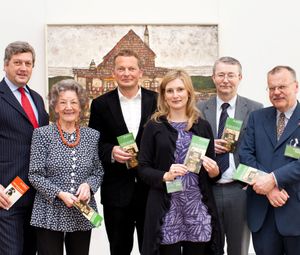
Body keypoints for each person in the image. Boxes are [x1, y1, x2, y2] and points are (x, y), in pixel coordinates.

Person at [138, 69, 223, 255]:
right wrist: (165, 175)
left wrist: (215, 172)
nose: (175, 95)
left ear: (189, 93)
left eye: (180, 89)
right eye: (170, 91)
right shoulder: (154, 126)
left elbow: (212, 174)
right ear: (163, 95)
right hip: (167, 208)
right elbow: (142, 169)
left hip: (197, 207)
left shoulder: (202, 125)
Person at [89, 49, 157, 255]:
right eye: (121, 69)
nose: (126, 73)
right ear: (114, 72)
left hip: (151, 191)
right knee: (118, 250)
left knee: (153, 250)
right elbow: (95, 143)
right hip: (116, 193)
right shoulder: (100, 104)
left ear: (140, 72)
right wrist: (111, 151)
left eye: (131, 68)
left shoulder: (158, 101)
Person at [28, 79, 104, 255]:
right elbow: (35, 174)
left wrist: (89, 186)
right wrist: (59, 194)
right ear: (55, 107)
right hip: (49, 210)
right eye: (63, 102)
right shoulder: (42, 134)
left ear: (81, 107)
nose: (68, 107)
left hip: (81, 211)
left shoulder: (92, 136)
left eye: (73, 102)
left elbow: (97, 171)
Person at [198, 56, 263, 255]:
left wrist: (254, 179)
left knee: (239, 250)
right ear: (213, 78)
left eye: (231, 75)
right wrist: (209, 146)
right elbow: (189, 147)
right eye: (221, 75)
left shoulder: (255, 109)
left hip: (240, 190)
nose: (226, 80)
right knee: (210, 248)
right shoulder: (198, 109)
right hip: (208, 190)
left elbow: (261, 149)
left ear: (240, 77)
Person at [239, 65, 300, 255]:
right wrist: (269, 189)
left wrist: (272, 179)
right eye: (272, 88)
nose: (276, 92)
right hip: (262, 212)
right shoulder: (257, 117)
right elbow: (245, 155)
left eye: (282, 86)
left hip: (295, 211)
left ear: (296, 86)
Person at [0, 41, 49, 255]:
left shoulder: (37, 99)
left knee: (31, 250)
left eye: (28, 63)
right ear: (5, 65)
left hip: (37, 194)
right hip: (7, 192)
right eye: (17, 62)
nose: (23, 68)